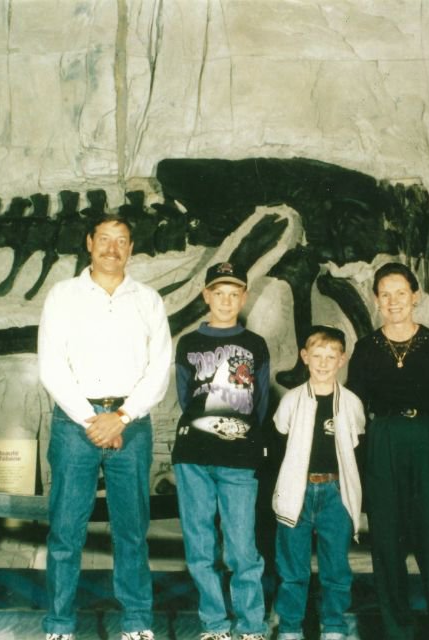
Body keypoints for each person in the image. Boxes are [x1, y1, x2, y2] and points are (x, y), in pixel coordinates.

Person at [37, 213, 173, 640]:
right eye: (105, 239)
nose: (113, 248)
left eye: (123, 240)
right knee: (66, 529)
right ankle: (59, 624)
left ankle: (136, 622)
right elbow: (51, 364)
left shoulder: (148, 299)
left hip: (130, 425)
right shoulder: (63, 295)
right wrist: (91, 420)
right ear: (89, 243)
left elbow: (160, 367)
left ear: (131, 248)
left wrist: (123, 417)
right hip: (75, 424)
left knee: (131, 530)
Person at [346, 262, 429, 640]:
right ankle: (396, 631)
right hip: (383, 444)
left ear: (415, 296)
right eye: (385, 294)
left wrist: (419, 431)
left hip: (428, 441)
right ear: (377, 301)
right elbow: (357, 408)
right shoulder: (365, 349)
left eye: (400, 293)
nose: (393, 301)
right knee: (387, 543)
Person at [171, 261, 271, 640]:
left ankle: (251, 626)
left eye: (234, 294)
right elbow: (185, 397)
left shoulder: (254, 344)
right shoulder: (189, 343)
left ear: (243, 297)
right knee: (200, 546)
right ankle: (214, 626)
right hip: (194, 455)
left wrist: (239, 434)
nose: (226, 301)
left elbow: (258, 403)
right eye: (219, 293)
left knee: (242, 549)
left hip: (239, 457)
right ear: (206, 296)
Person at [271, 325, 366, 640]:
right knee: (292, 571)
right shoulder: (291, 401)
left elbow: (357, 451)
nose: (323, 363)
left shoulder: (351, 403)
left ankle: (335, 626)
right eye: (317, 356)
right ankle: (289, 627)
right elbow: (278, 447)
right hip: (296, 492)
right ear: (304, 357)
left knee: (335, 568)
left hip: (335, 492)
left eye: (331, 356)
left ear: (342, 360)